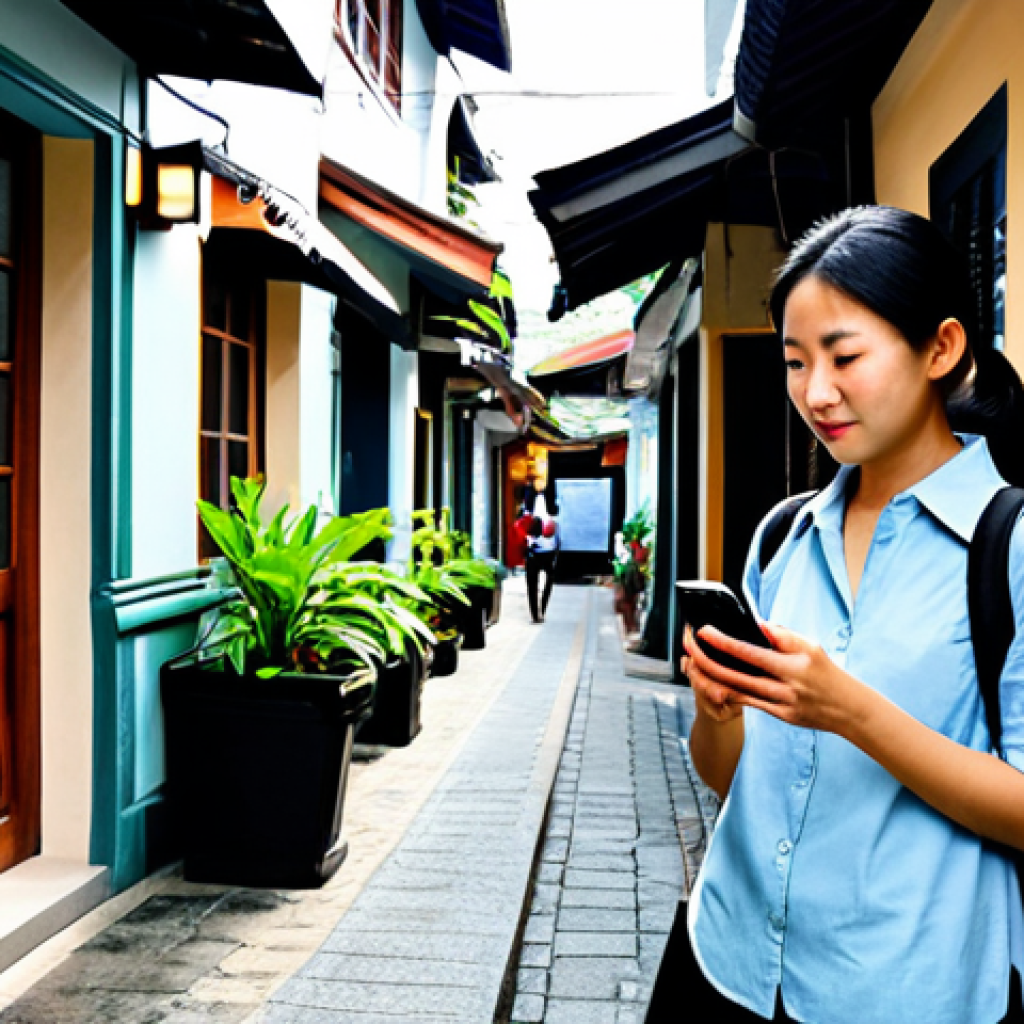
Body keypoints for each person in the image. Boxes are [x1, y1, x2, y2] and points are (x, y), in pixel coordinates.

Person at [646, 206, 1024, 1024]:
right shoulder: (784, 535)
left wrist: (850, 712)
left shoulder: (1011, 544)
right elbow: (729, 778)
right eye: (793, 363)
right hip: (729, 964)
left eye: (845, 356)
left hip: (906, 989)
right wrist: (717, 710)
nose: (816, 393)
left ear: (941, 349)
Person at [526, 513, 559, 623]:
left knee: (533, 585)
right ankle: (539, 612)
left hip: (536, 553)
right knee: (545, 581)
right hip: (544, 552)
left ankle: (537, 614)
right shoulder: (554, 518)